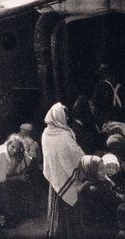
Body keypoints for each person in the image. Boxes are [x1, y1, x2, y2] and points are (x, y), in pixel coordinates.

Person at [42, 102, 85, 239]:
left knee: (57, 209)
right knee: (68, 210)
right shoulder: (64, 136)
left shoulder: (46, 133)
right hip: (64, 176)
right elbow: (77, 155)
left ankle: (56, 232)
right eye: (65, 117)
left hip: (55, 178)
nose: (66, 120)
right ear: (58, 118)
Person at [0, 134, 33, 227]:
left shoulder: (17, 153)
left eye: (17, 148)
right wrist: (18, 178)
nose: (14, 150)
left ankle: (22, 213)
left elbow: (25, 161)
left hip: (4, 178)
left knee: (20, 184)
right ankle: (9, 217)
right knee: (5, 187)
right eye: (12, 147)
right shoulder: (1, 155)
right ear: (8, 144)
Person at [77, 155, 124, 239]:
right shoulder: (98, 188)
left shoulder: (84, 184)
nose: (103, 172)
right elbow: (118, 200)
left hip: (89, 225)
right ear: (91, 170)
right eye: (99, 170)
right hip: (102, 227)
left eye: (103, 168)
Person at [91, 63, 124, 127]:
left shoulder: (100, 86)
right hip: (120, 117)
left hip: (106, 120)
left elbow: (94, 103)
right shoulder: (120, 86)